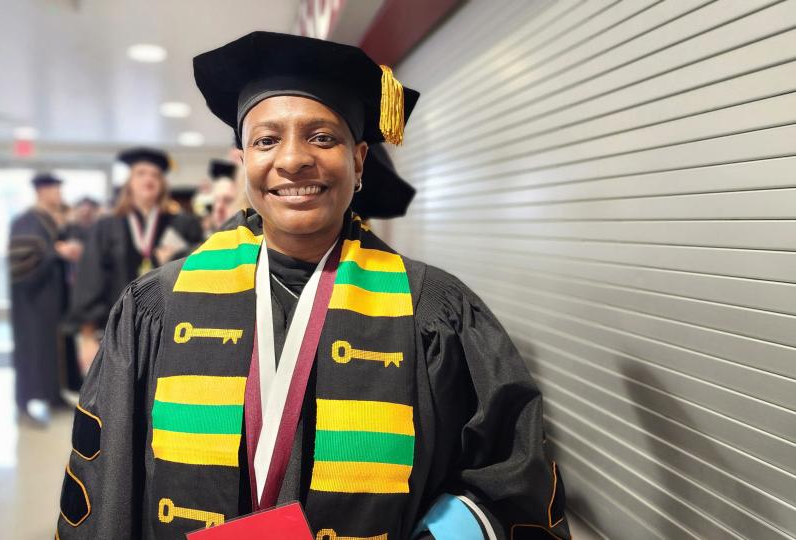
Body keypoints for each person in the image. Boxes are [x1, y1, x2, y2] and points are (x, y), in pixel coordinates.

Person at [56, 32, 570, 540]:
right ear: (244, 163)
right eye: (266, 139)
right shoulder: (158, 305)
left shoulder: (433, 310)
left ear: (360, 160)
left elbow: (511, 474)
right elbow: (108, 481)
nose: (294, 159)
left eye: (322, 137)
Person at [68, 148, 203, 373]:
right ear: (129, 182)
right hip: (116, 330)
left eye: (155, 175)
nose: (149, 179)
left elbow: (199, 275)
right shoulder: (106, 227)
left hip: (170, 331)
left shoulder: (182, 225)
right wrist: (87, 337)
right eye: (141, 173)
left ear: (162, 183)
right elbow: (90, 280)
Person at [8, 174, 82, 427]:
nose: (59, 194)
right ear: (41, 191)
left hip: (54, 295)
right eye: (54, 189)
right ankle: (24, 402)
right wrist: (56, 252)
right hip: (33, 299)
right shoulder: (27, 219)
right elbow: (23, 258)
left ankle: (54, 396)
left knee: (56, 345)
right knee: (33, 348)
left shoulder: (53, 218)